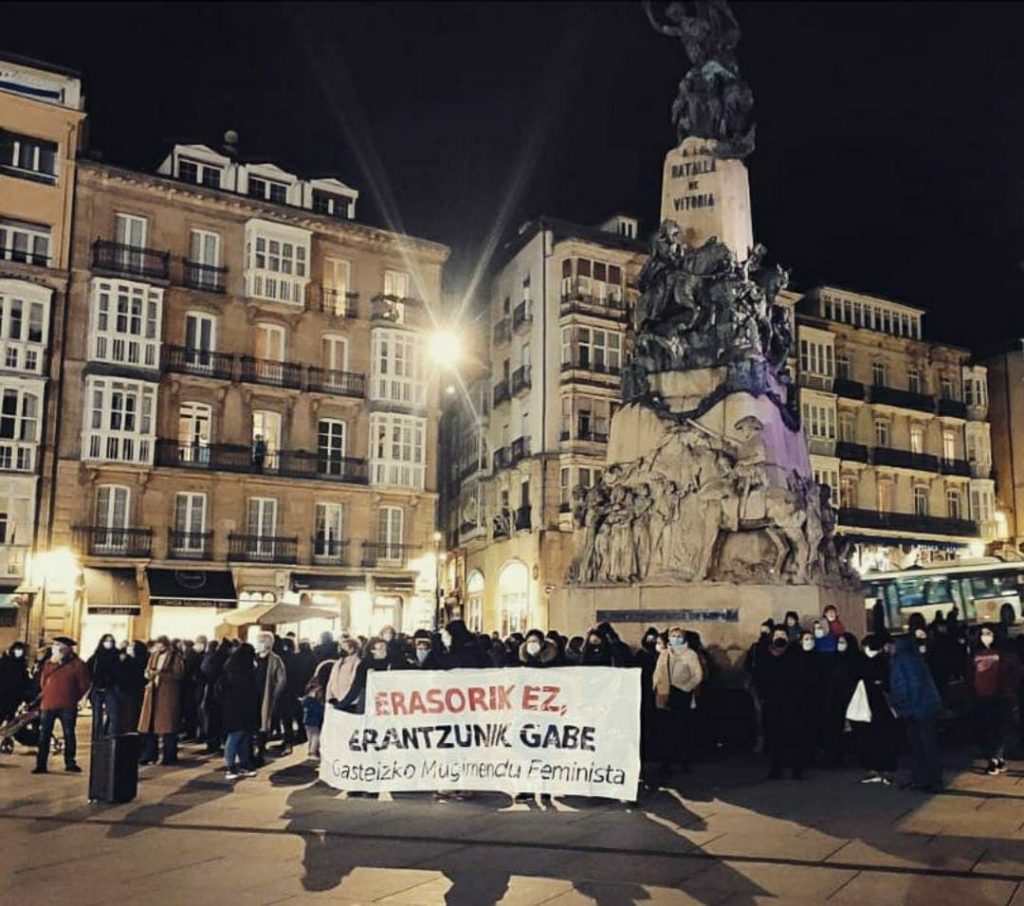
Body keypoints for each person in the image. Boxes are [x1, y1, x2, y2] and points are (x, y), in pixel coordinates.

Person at [889, 636, 943, 792]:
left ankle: (929, 779)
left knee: (923, 745)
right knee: (923, 744)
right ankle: (925, 779)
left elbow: (909, 685)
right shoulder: (912, 657)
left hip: (917, 708)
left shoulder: (903, 659)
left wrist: (904, 707)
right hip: (922, 707)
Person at [757, 629, 813, 780]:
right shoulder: (767, 654)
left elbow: (803, 677)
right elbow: (761, 676)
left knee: (795, 735)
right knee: (775, 736)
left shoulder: (796, 654)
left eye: (782, 635)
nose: (779, 638)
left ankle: (797, 768)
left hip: (794, 703)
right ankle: (776, 768)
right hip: (773, 703)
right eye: (776, 635)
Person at [650, 626, 703, 782]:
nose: (675, 638)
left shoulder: (690, 655)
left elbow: (697, 675)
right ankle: (665, 763)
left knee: (681, 728)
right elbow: (657, 673)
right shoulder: (665, 654)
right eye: (672, 636)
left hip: (681, 694)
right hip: (664, 694)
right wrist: (656, 689)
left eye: (678, 636)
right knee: (665, 730)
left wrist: (686, 688)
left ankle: (684, 760)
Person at [34, 637, 91, 774]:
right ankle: (41, 764)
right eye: (54, 645)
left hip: (68, 705)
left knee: (69, 733)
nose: (55, 648)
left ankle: (70, 762)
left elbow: (84, 684)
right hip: (48, 704)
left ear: (67, 648)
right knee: (44, 735)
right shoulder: (49, 663)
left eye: (58, 645)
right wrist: (53, 663)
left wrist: (77, 698)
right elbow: (43, 682)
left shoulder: (78, 664)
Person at [969, 624, 1017, 775]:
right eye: (982, 634)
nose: (985, 637)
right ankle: (995, 757)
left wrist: (1009, 687)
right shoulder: (975, 654)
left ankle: (995, 758)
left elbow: (1014, 672)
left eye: (988, 633)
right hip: (981, 697)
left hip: (999, 696)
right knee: (988, 729)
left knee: (998, 729)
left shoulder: (1003, 654)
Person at [855, 634, 900, 785]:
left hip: (875, 704)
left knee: (877, 736)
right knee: (882, 736)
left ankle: (878, 766)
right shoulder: (884, 661)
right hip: (880, 704)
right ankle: (885, 766)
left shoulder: (870, 662)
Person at [138, 635, 185, 766]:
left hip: (167, 694)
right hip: (153, 693)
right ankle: (150, 754)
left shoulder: (175, 657)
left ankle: (169, 756)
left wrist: (161, 674)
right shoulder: (154, 656)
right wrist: (149, 674)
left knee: (168, 727)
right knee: (150, 725)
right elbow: (147, 670)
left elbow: (178, 674)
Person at [219, 643, 259, 781]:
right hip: (242, 709)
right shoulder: (243, 672)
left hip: (233, 710)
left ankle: (242, 765)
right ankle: (231, 767)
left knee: (240, 737)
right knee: (236, 737)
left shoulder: (231, 669)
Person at [253, 631, 286, 767]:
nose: (258, 644)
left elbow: (281, 680)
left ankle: (260, 752)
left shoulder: (275, 660)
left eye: (261, 641)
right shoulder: (253, 657)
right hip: (252, 697)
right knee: (252, 724)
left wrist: (274, 694)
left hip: (265, 696)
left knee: (263, 725)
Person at [86, 633, 123, 738]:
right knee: (97, 717)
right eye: (107, 641)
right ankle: (97, 738)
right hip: (97, 688)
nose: (109, 643)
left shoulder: (117, 656)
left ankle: (111, 737)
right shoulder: (96, 656)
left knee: (113, 715)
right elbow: (88, 670)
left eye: (111, 641)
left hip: (111, 688)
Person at [0, 641, 32, 751]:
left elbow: (25, 683)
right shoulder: (4, 662)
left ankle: (7, 742)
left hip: (14, 700)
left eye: (21, 650)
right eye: (17, 650)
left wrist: (27, 698)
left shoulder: (21, 666)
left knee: (11, 724)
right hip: (3, 698)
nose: (18, 652)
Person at [301, 675, 326, 759]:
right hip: (313, 721)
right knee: (316, 737)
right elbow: (318, 710)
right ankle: (312, 752)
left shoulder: (305, 700)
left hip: (307, 721)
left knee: (310, 737)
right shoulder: (313, 701)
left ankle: (310, 750)